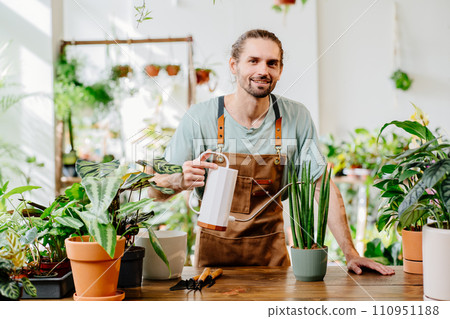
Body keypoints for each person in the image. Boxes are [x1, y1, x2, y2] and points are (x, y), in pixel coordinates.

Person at [148, 29, 394, 275]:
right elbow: (154, 190)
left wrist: (350, 253)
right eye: (253, 61)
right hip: (212, 262)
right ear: (234, 65)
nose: (263, 70)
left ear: (280, 70)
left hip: (272, 260)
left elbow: (321, 186)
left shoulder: (296, 117)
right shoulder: (199, 117)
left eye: (271, 63)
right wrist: (180, 179)